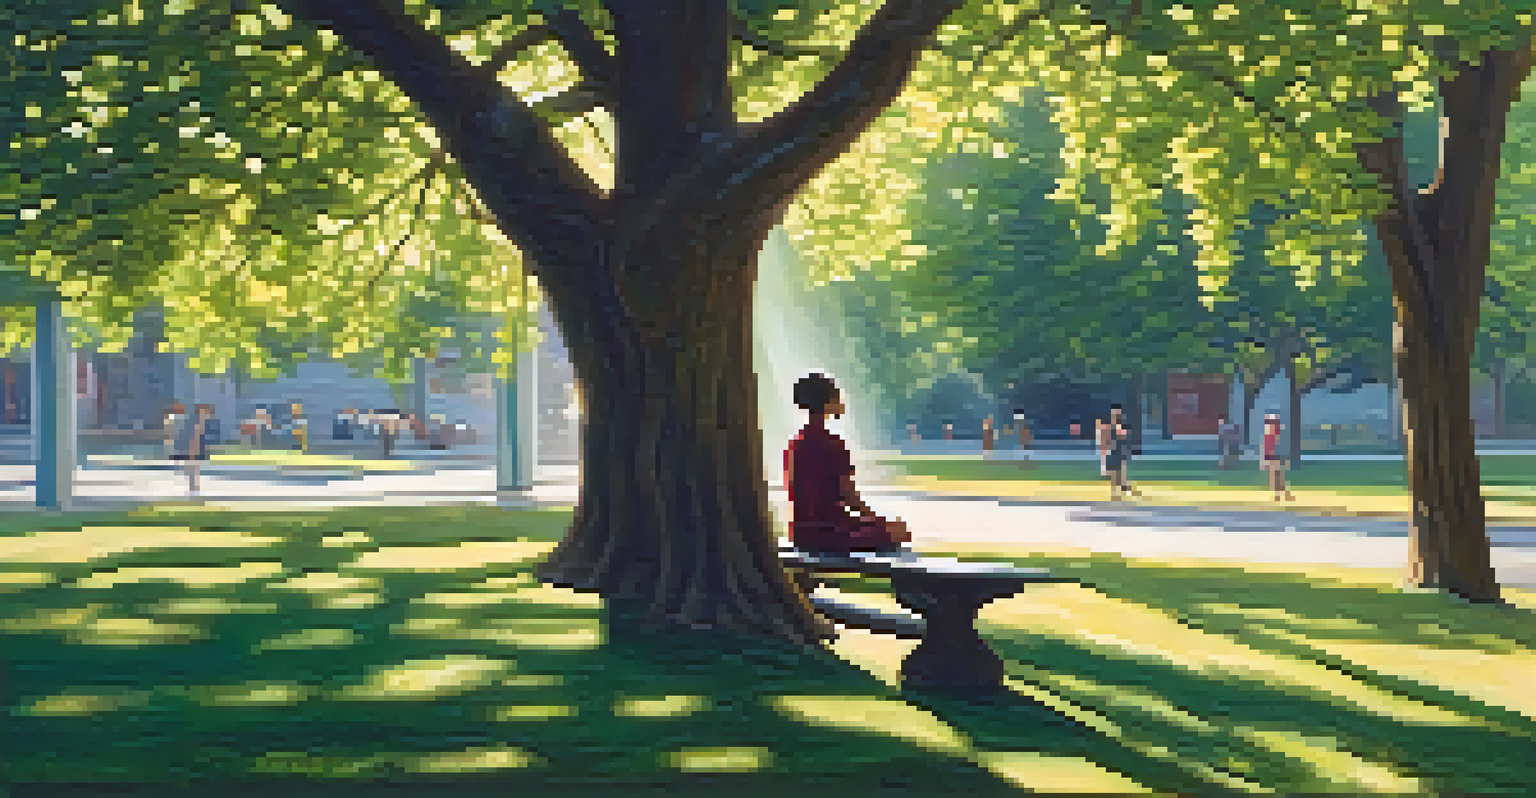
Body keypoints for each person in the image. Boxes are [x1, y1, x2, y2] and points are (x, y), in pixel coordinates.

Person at [784, 373, 911, 554]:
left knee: (889, 527)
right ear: (828, 402)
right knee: (899, 531)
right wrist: (875, 520)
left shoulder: (795, 444)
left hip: (801, 532)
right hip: (829, 534)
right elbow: (849, 496)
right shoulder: (832, 443)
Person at [1261, 413, 1295, 501]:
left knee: (1279, 478)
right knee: (1277, 478)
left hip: (1276, 456)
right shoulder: (1271, 433)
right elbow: (1266, 447)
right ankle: (1280, 495)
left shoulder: (1276, 432)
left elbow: (1279, 446)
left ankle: (1282, 495)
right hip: (1273, 456)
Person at [1106, 418, 1142, 500]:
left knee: (1121, 475)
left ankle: (1123, 489)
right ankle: (1116, 492)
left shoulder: (1122, 441)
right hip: (1115, 458)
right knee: (1116, 476)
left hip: (1121, 458)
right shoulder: (1114, 439)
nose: (1123, 432)